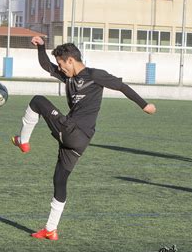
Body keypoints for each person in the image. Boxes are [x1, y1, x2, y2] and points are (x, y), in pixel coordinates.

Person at [12, 37, 156, 240]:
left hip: (74, 131)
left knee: (38, 101)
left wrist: (144, 105)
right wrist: (42, 47)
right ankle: (51, 229)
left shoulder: (95, 75)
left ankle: (22, 141)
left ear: (70, 60)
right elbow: (46, 66)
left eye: (62, 64)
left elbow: (122, 86)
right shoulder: (68, 77)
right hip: (77, 140)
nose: (60, 69)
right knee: (59, 180)